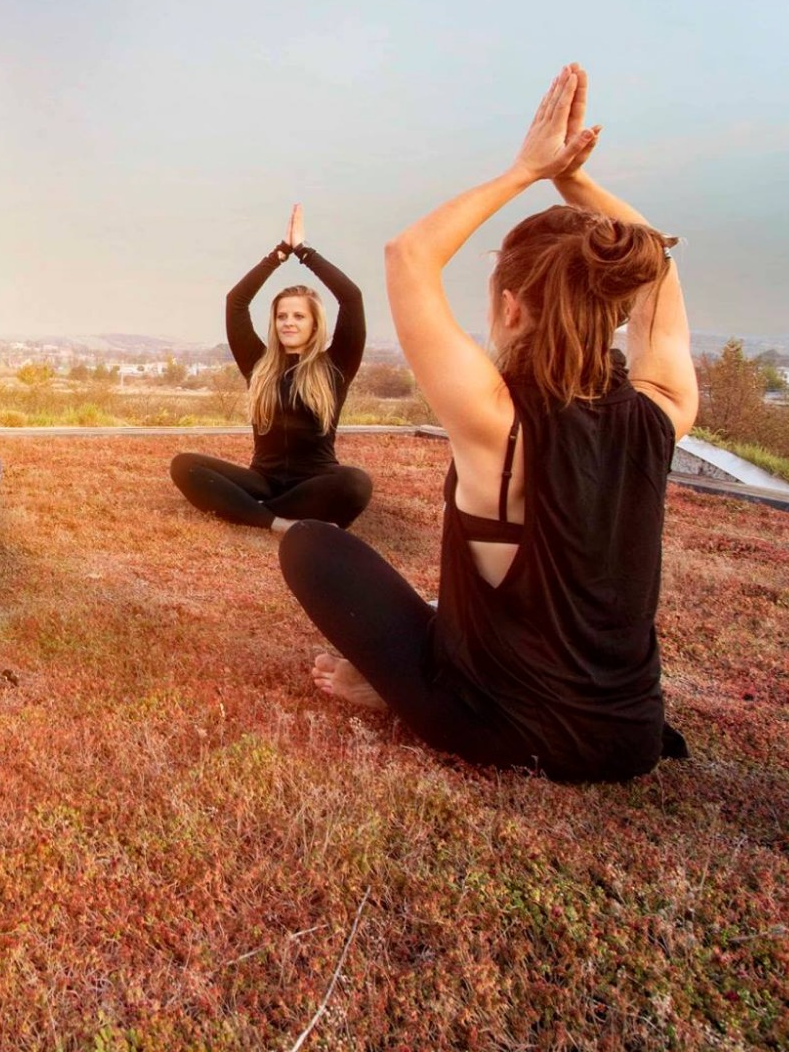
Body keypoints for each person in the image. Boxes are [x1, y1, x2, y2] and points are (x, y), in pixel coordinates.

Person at [281, 64, 698, 782]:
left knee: (314, 547)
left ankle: (396, 688)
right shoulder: (663, 409)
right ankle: (415, 667)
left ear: (510, 308)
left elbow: (408, 255)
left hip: (506, 729)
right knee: (465, 599)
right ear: (616, 309)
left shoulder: (496, 420)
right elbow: (654, 264)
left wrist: (528, 170)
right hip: (632, 734)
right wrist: (573, 183)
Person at [170, 204, 371, 533]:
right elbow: (236, 302)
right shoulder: (258, 363)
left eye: (298, 316)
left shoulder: (336, 365)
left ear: (314, 322)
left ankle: (247, 511)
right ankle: (276, 521)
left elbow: (351, 298)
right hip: (261, 482)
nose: (288, 322)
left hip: (316, 481)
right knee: (184, 466)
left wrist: (304, 251)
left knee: (355, 483)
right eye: (281, 316)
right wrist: (279, 253)